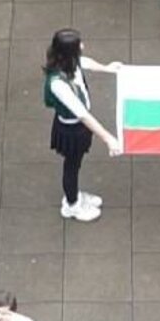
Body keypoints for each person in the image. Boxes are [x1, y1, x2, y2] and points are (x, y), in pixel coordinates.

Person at [44, 28, 123, 222]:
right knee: (72, 166)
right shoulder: (58, 84)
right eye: (78, 46)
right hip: (71, 130)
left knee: (75, 163)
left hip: (76, 128)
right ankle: (72, 205)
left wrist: (107, 68)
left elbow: (84, 62)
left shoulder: (68, 62)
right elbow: (83, 115)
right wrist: (108, 139)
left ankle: (75, 197)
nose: (82, 47)